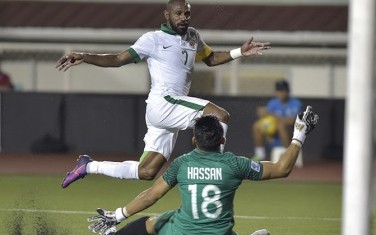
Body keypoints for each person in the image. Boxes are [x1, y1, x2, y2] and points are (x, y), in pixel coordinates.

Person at [55, 0, 271, 189]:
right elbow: (118, 59)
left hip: (169, 110)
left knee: (146, 172)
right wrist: (84, 56)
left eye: (187, 13)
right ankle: (218, 168)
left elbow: (210, 58)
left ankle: (88, 166)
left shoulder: (193, 36)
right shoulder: (153, 39)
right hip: (164, 103)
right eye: (178, 13)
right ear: (167, 15)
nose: (183, 17)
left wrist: (239, 52)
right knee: (220, 116)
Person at [87, 106, 318, 235]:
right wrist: (299, 134)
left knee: (153, 222)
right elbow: (282, 168)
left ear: (194, 140)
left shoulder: (182, 164)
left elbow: (151, 195)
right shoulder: (235, 164)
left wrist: (118, 215)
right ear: (223, 139)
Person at [252, 79, 302, 161]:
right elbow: (266, 119)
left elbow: (292, 121)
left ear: (288, 91)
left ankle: (288, 155)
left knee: (281, 125)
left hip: (291, 134)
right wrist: (262, 114)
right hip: (274, 133)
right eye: (278, 91)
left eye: (283, 91)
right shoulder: (272, 103)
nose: (281, 93)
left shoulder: (296, 103)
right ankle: (259, 154)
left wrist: (272, 114)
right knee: (257, 125)